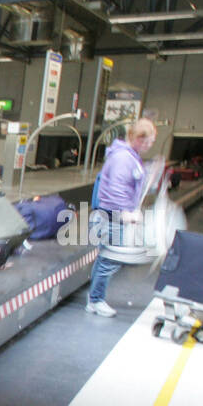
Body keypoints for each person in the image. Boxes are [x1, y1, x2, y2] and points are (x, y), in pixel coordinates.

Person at [86, 117, 158, 318]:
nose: (149, 145)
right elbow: (116, 189)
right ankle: (95, 300)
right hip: (111, 217)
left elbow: (130, 183)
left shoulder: (130, 156)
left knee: (109, 259)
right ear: (136, 137)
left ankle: (95, 298)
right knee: (109, 259)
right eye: (148, 141)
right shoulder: (122, 158)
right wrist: (125, 213)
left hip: (115, 217)